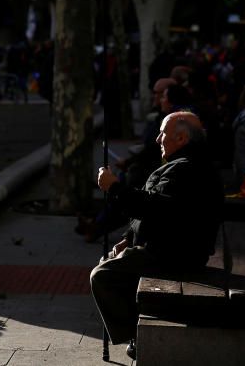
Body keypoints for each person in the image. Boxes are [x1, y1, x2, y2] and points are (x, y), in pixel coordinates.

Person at [90, 111, 223, 358]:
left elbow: (155, 208)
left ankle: (138, 337)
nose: (158, 139)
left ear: (181, 138)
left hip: (174, 255)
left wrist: (115, 187)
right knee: (110, 261)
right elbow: (158, 211)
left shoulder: (186, 169)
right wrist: (129, 239)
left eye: (163, 133)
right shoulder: (186, 164)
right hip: (168, 247)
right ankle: (137, 334)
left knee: (103, 275)